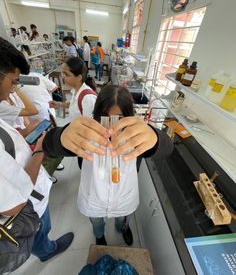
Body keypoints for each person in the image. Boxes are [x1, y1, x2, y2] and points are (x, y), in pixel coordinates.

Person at [44, 85, 173, 247]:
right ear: (97, 115)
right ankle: (99, 236)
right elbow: (49, 146)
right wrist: (60, 136)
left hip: (124, 199)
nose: (111, 127)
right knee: (97, 223)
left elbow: (167, 148)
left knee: (122, 218)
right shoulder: (87, 135)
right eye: (104, 117)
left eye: (118, 118)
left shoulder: (135, 139)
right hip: (94, 199)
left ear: (129, 117)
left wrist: (154, 135)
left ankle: (123, 228)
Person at [0, 37, 74, 266]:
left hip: (34, 189)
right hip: (28, 205)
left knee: (44, 224)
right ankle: (46, 251)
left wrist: (22, 139)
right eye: (13, 81)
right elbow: (14, 203)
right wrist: (39, 150)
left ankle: (45, 245)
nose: (14, 87)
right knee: (40, 227)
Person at [49, 57, 97, 121]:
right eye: (63, 74)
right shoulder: (76, 90)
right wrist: (59, 104)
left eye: (66, 74)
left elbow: (89, 126)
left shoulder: (87, 98)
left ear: (79, 77)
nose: (63, 77)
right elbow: (74, 105)